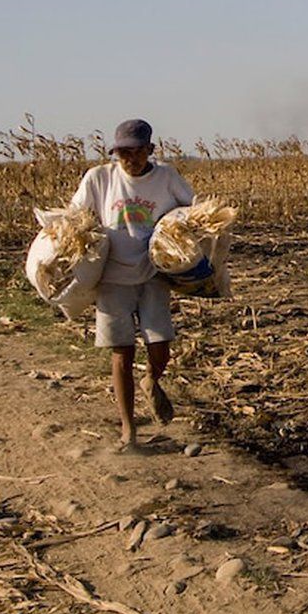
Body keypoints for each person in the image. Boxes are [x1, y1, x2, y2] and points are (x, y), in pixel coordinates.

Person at [71, 118, 194, 451]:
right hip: (113, 278)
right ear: (115, 153)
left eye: (137, 151)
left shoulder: (166, 177)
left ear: (150, 150)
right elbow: (76, 218)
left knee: (161, 347)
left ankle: (151, 379)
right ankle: (129, 430)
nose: (130, 159)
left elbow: (192, 212)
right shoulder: (99, 179)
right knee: (121, 353)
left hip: (153, 273)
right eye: (123, 153)